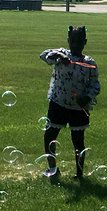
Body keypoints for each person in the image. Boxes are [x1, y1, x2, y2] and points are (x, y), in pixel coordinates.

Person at [39, 26, 100, 180]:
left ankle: (79, 174)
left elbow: (95, 85)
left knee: (78, 141)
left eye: (79, 41)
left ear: (85, 42)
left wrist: (87, 98)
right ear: (68, 41)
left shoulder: (89, 63)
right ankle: (52, 169)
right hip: (58, 103)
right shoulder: (61, 55)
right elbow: (44, 55)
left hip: (78, 108)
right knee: (50, 136)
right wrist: (59, 55)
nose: (75, 44)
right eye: (72, 41)